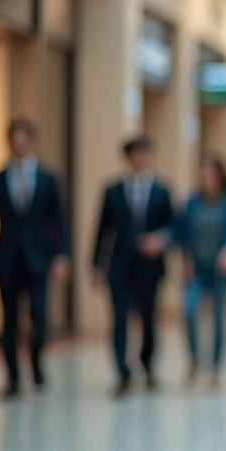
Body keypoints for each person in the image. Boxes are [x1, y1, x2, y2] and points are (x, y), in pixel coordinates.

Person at [0, 118, 70, 398]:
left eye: (24, 138)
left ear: (32, 141)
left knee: (39, 314)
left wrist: (62, 255)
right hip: (7, 258)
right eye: (14, 138)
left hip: (39, 259)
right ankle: (13, 377)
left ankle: (36, 360)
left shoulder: (48, 179)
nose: (19, 143)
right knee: (10, 320)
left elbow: (59, 221)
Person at [91, 135, 174, 397]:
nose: (140, 158)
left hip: (149, 266)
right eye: (135, 154)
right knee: (119, 319)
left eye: (145, 153)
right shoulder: (112, 190)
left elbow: (172, 225)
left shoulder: (162, 190)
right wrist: (96, 264)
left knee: (148, 319)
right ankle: (122, 372)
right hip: (119, 264)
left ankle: (147, 365)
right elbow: (102, 229)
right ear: (127, 158)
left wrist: (160, 239)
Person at [172, 155, 226, 391]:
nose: (207, 180)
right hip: (196, 269)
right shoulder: (193, 202)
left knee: (219, 319)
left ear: (221, 176)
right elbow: (180, 231)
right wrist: (184, 255)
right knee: (190, 312)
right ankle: (194, 359)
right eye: (203, 175)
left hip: (220, 270)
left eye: (211, 175)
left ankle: (215, 368)